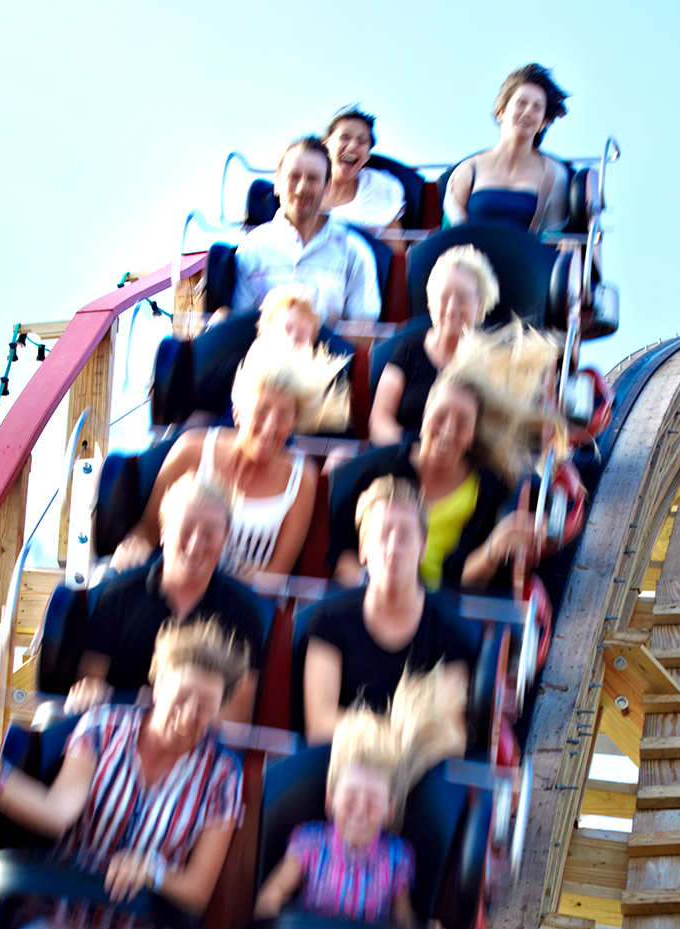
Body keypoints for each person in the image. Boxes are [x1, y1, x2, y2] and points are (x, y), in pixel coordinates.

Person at [0, 618, 249, 929]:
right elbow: (57, 811)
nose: (191, 712)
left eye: (207, 702)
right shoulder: (102, 727)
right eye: (182, 694)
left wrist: (153, 872)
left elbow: (197, 890)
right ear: (159, 683)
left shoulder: (223, 774)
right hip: (63, 916)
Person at [255, 670, 459, 929]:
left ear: (389, 810)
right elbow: (271, 896)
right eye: (351, 797)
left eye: (372, 801)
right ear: (332, 800)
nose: (361, 810)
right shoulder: (309, 842)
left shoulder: (397, 857)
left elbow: (401, 919)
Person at [330, 324, 557, 590]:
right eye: (440, 416)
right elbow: (341, 553)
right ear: (425, 417)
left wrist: (494, 548)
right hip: (374, 602)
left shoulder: (489, 488)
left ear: (473, 433)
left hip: (440, 616)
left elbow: (465, 582)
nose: (448, 431)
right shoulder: (381, 469)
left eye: (462, 423)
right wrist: (372, 585)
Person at [113, 339, 348, 579]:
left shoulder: (302, 479)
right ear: (238, 412)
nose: (270, 427)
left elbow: (275, 576)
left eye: (283, 415)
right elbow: (147, 533)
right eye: (262, 411)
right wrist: (132, 549)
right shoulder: (191, 450)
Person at [68, 475, 266, 724]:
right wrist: (91, 694)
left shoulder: (244, 613)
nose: (195, 545)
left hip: (198, 744)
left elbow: (235, 717)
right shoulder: (119, 595)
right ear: (163, 531)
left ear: (226, 538)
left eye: (209, 532)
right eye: (186, 528)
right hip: (118, 731)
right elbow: (89, 684)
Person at [301, 477, 475, 743]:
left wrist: (366, 730)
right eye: (383, 535)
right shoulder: (328, 620)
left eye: (405, 536)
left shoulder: (451, 631)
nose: (393, 549)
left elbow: (449, 737)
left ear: (423, 547)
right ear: (363, 549)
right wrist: (404, 734)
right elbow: (321, 725)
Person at [232, 137, 382, 326]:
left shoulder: (355, 250)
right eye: (293, 177)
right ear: (277, 183)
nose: (302, 188)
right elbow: (241, 325)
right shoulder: (252, 248)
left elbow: (364, 329)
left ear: (327, 187)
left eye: (313, 179)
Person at [368, 246, 499, 445]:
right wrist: (415, 452)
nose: (452, 309)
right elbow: (379, 420)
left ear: (479, 305)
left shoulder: (494, 360)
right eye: (444, 297)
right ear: (431, 302)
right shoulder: (408, 351)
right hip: (407, 460)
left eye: (462, 299)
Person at [443, 64, 571, 235]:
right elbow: (449, 235)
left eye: (537, 107)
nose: (527, 112)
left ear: (543, 122)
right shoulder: (468, 169)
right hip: (470, 258)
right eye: (521, 103)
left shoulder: (555, 174)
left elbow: (552, 237)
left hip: (525, 259)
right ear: (501, 111)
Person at [321, 106, 405, 231]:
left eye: (361, 141)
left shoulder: (379, 189)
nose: (352, 146)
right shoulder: (302, 184)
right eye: (345, 137)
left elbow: (397, 248)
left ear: (367, 156)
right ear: (326, 144)